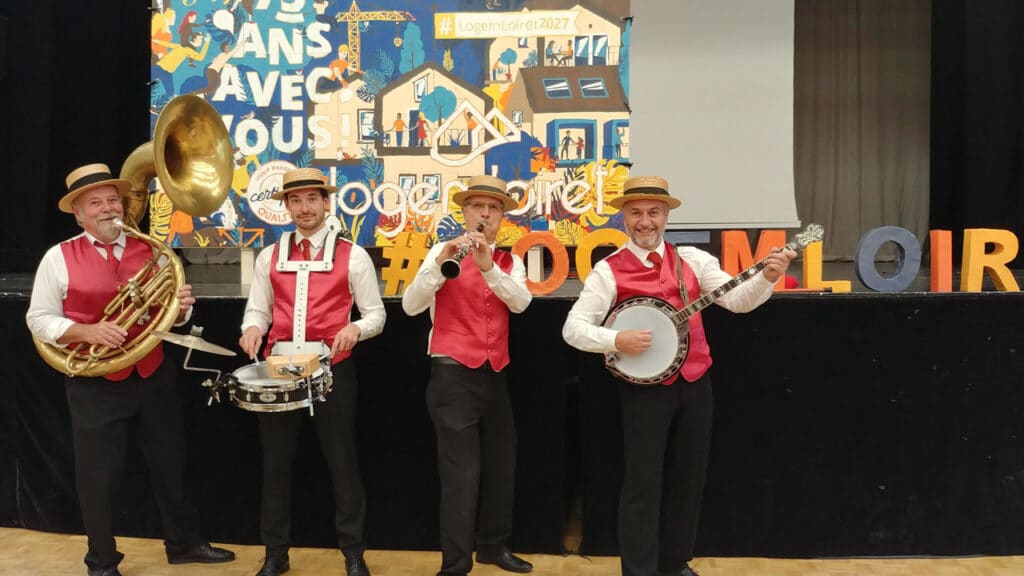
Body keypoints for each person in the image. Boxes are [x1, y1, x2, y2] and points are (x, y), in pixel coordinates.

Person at [561, 176, 795, 576]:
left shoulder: (694, 261)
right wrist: (616, 338)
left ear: (667, 215)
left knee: (689, 479)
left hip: (695, 383)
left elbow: (738, 301)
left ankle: (674, 562)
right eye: (635, 213)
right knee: (642, 485)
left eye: (653, 212)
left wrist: (767, 277)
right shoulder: (608, 270)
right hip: (644, 393)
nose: (645, 221)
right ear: (624, 218)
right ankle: (638, 570)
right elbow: (573, 328)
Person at [25, 163, 236, 576]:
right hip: (96, 383)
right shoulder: (59, 257)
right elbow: (38, 319)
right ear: (79, 214)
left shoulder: (152, 250)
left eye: (112, 200)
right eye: (96, 203)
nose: (108, 209)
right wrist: (88, 330)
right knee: (98, 478)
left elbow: (167, 320)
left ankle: (183, 544)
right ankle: (101, 561)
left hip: (152, 374)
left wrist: (180, 309)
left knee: (170, 465)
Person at [239, 167, 385, 576]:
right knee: (276, 465)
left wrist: (355, 328)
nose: (304, 208)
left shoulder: (352, 254)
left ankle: (353, 553)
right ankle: (275, 553)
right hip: (279, 371)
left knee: (342, 463)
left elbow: (376, 314)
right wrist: (252, 328)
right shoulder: (270, 254)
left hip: (332, 372)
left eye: (311, 199)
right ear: (286, 206)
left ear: (326, 202)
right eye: (295, 200)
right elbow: (258, 308)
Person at [401, 175, 534, 576]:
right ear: (465, 213)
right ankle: (456, 565)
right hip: (452, 377)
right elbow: (410, 306)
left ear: (502, 219)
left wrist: (488, 267)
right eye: (478, 207)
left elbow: (522, 303)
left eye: (493, 209)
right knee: (462, 477)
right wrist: (441, 266)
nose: (486, 215)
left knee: (501, 467)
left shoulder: (510, 262)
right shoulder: (441, 254)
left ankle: (493, 547)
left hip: (494, 375)